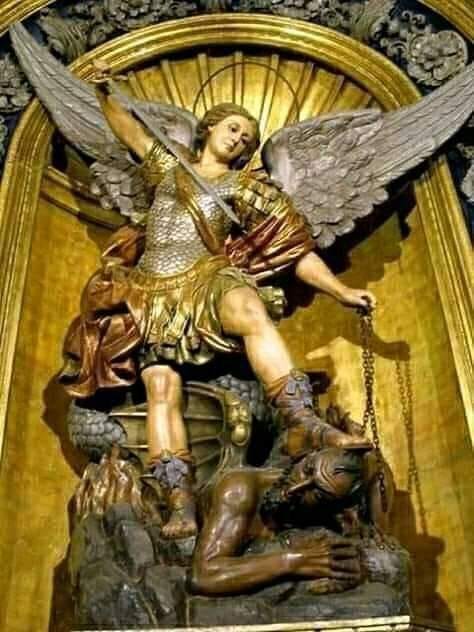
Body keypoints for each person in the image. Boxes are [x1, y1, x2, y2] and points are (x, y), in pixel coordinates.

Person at [60, 79, 375, 539]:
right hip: (149, 292)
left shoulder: (246, 189)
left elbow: (293, 250)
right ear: (208, 129)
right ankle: (179, 500)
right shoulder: (168, 167)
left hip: (205, 278)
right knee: (161, 387)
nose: (239, 139)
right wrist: (106, 91)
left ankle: (303, 423)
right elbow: (128, 129)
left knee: (248, 308)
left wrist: (340, 291)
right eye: (233, 128)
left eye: (247, 138)